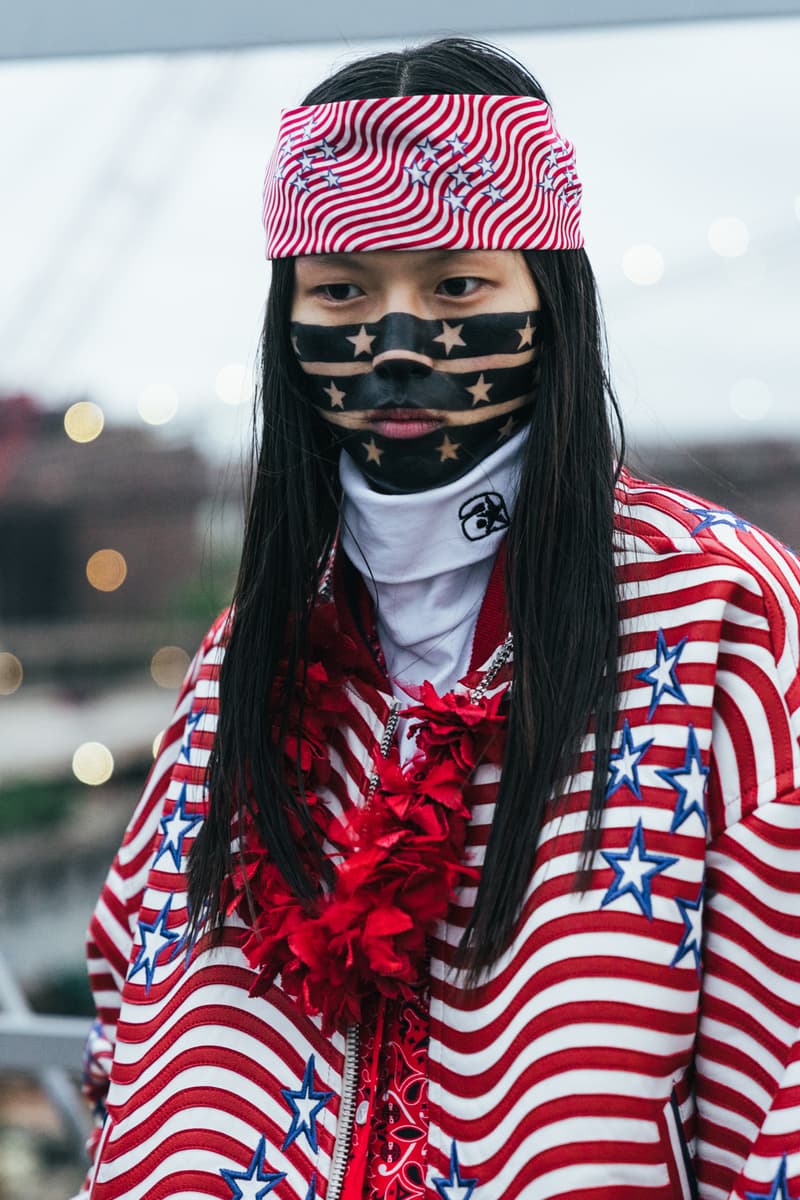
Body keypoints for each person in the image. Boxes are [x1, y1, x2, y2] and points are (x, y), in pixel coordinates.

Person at [74, 36, 800, 1200]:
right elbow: (129, 997)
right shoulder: (243, 654)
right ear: (289, 319)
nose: (398, 347)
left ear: (548, 297)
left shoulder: (719, 612)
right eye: (343, 291)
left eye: (456, 286)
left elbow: (780, 1074)